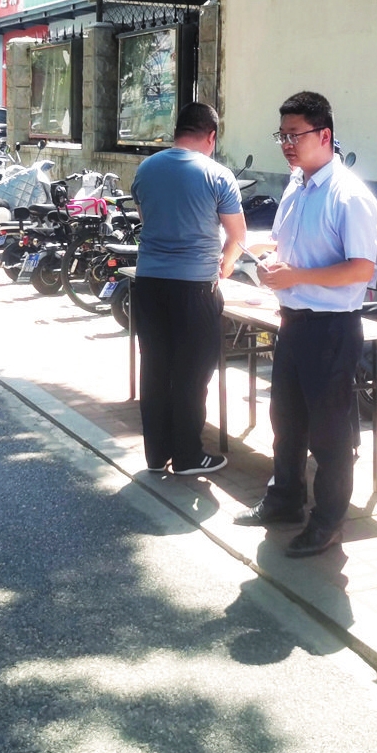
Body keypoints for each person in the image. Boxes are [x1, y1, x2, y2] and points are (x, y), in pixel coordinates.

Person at [232, 91, 377, 558]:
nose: (287, 145)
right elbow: (284, 245)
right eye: (282, 136)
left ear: (325, 135)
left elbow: (361, 269)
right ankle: (284, 500)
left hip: (332, 329)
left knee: (330, 434)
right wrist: (267, 262)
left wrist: (297, 276)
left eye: (295, 135)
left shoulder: (349, 195)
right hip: (293, 321)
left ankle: (328, 522)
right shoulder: (297, 185)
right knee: (286, 420)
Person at [131, 102, 245, 475]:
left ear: (177, 131)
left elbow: (146, 219)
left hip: (149, 284)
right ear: (211, 136)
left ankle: (156, 455)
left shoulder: (146, 169)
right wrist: (224, 267)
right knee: (192, 373)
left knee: (155, 367)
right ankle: (187, 456)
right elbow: (237, 236)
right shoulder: (218, 175)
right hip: (195, 288)